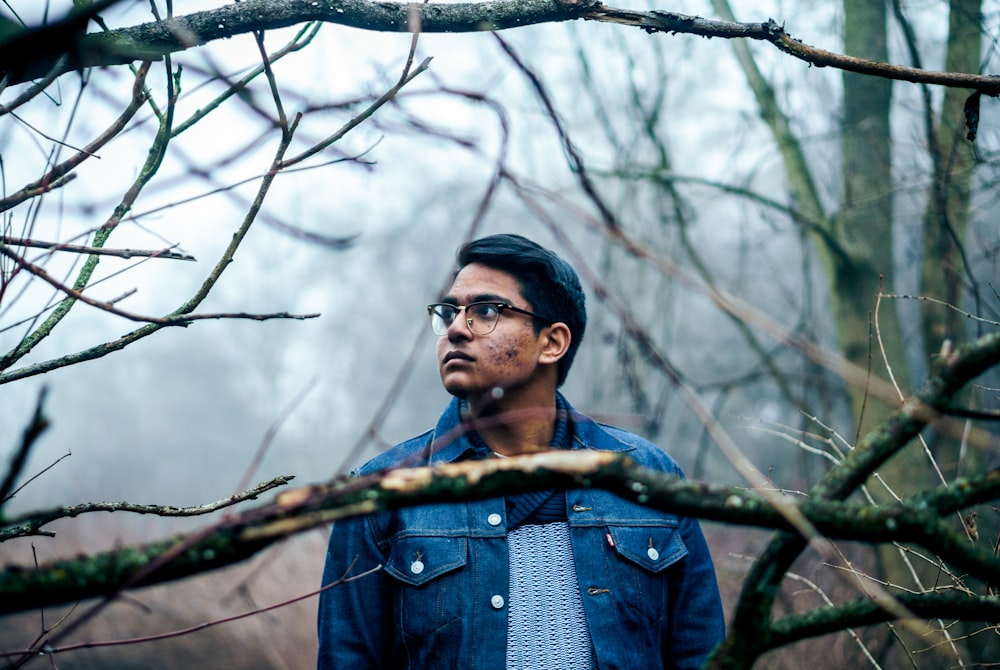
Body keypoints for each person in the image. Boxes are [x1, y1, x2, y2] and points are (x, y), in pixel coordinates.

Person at [317, 233, 725, 669]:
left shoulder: (648, 477)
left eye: (486, 311)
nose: (456, 328)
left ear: (552, 342)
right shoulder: (385, 494)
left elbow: (702, 654)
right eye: (449, 312)